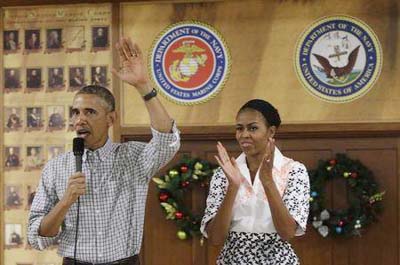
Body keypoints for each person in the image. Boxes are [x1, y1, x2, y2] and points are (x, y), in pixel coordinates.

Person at [28, 37, 180, 265]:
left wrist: (143, 86)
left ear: (111, 119)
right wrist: (65, 201)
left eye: (89, 112)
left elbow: (167, 140)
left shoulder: (133, 157)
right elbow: (37, 236)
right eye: (75, 112)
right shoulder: (56, 167)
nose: (80, 120)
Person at [200, 99, 310, 265]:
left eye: (253, 128)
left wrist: (268, 182)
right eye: (239, 128)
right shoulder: (224, 173)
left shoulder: (294, 171)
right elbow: (215, 238)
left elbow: (287, 233)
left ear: (271, 131)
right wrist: (233, 187)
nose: (244, 134)